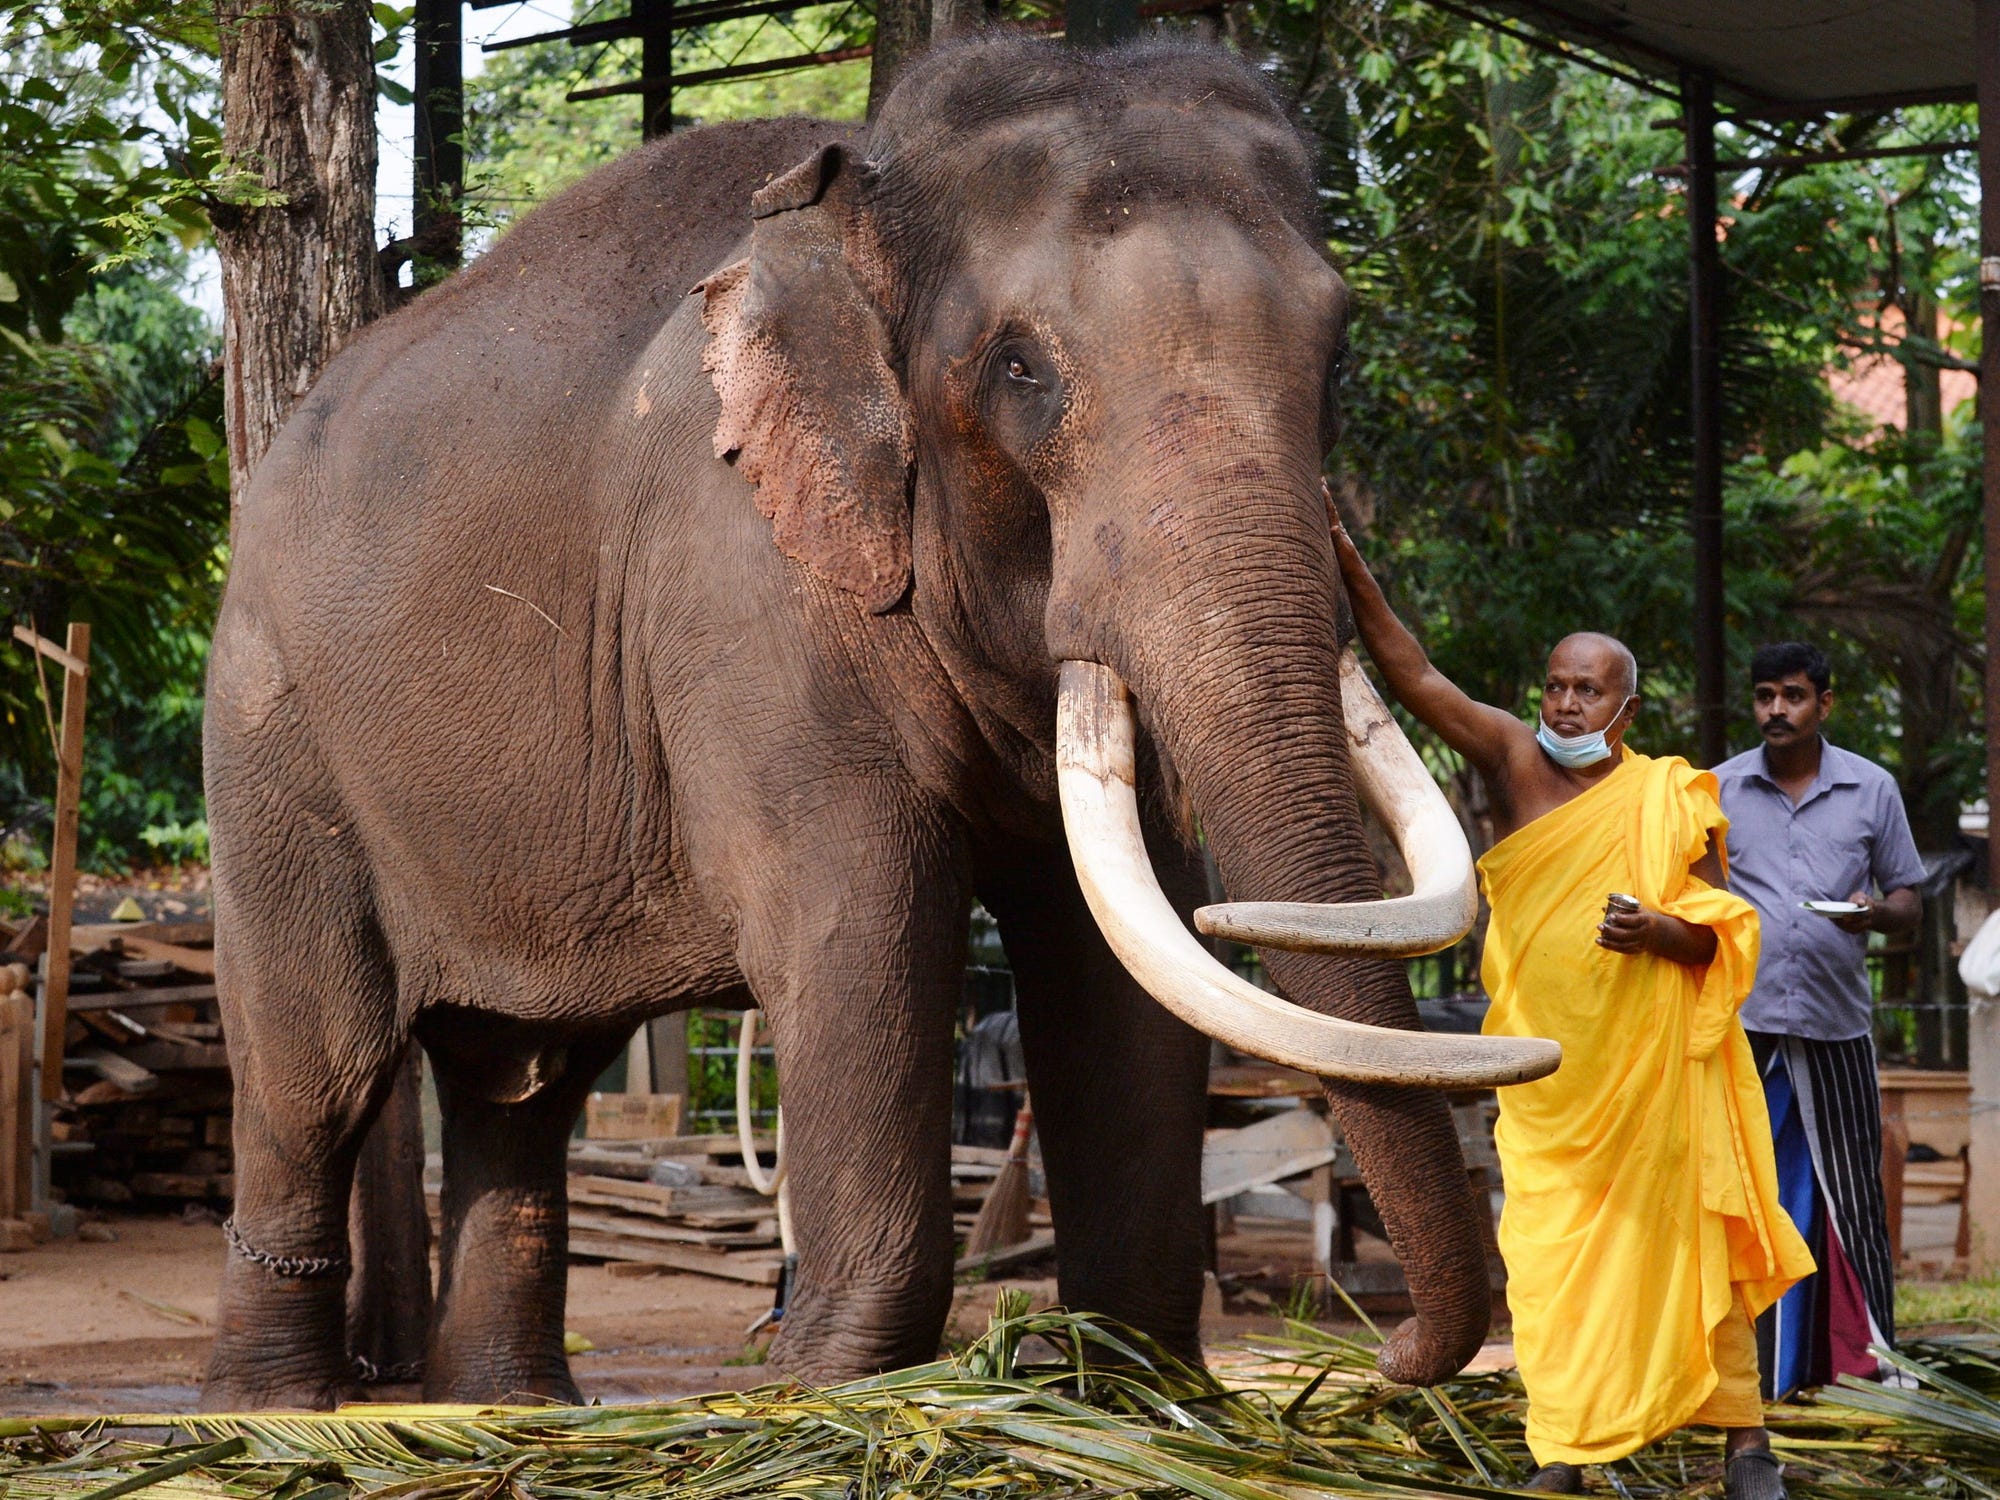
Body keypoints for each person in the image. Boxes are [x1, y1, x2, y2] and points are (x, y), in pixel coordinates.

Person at [1329, 500, 1812, 1499]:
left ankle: (1745, 1443)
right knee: (1548, 1260)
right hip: (1549, 1084)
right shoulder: (1513, 758)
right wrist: (1344, 559)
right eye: (1554, 686)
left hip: (1655, 1084)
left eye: (1586, 690)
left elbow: (1720, 932)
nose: (1563, 704)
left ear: (1625, 710)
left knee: (1687, 1243)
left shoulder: (1672, 796)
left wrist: (1657, 931)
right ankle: (1566, 1449)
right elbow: (1417, 678)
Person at [1714, 642, 1924, 1399]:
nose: (1777, 710)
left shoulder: (1871, 788)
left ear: (1824, 704)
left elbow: (1908, 900)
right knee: (1740, 1195)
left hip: (1835, 1025)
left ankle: (1860, 1362)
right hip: (1741, 1027)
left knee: (1853, 1197)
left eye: (1794, 695)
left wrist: (1875, 913)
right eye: (1765, 695)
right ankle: (1737, 1371)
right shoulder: (1717, 789)